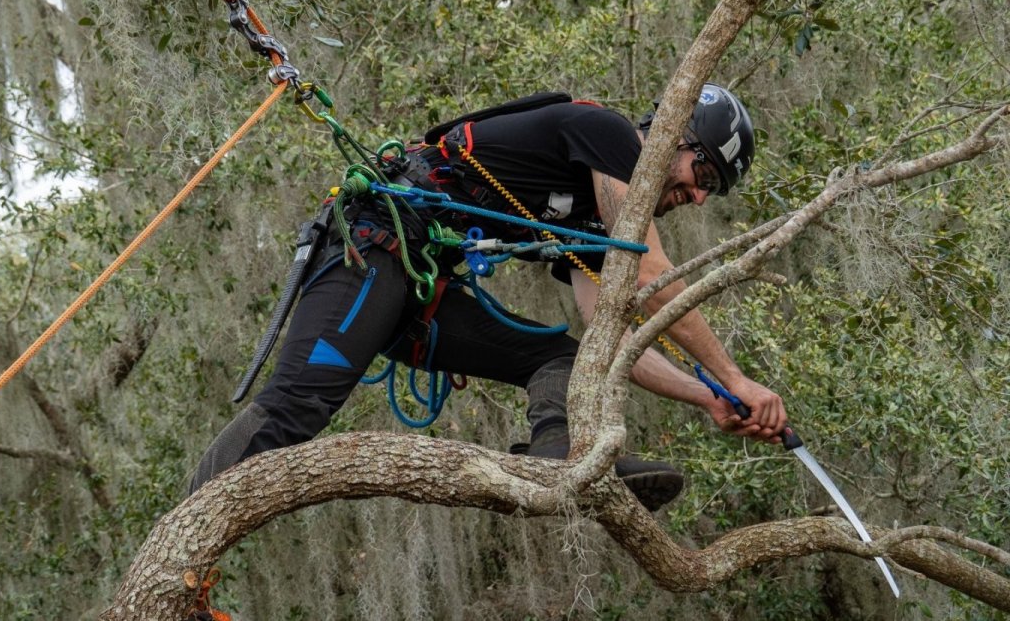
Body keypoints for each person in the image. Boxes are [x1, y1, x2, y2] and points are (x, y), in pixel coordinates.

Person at [189, 84, 787, 510]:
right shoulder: (605, 132)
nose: (700, 198)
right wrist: (733, 377)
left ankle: (556, 450)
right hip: (373, 248)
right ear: (674, 136)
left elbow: (613, 331)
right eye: (704, 175)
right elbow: (649, 275)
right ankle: (183, 543)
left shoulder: (597, 227)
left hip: (418, 292)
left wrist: (706, 397)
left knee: (565, 357)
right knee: (297, 407)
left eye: (714, 191)